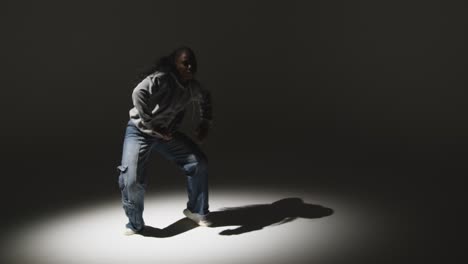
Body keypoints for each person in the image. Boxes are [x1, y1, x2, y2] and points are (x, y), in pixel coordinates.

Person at [117, 46, 213, 235]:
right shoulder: (162, 78)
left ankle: (196, 210)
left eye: (193, 63)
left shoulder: (192, 87)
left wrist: (205, 123)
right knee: (132, 179)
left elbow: (205, 98)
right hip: (139, 132)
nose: (190, 67)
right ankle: (135, 224)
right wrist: (152, 125)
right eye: (185, 63)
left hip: (165, 135)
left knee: (198, 162)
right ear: (175, 64)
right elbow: (138, 93)